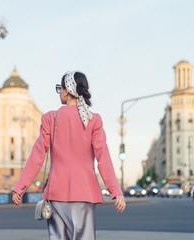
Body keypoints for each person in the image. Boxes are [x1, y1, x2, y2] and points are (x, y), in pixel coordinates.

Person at [12, 71, 126, 240]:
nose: (60, 92)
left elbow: (37, 156)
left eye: (60, 88)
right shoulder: (93, 120)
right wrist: (115, 191)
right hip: (85, 193)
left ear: (66, 91)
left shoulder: (51, 118)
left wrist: (20, 187)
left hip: (56, 193)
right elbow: (103, 157)